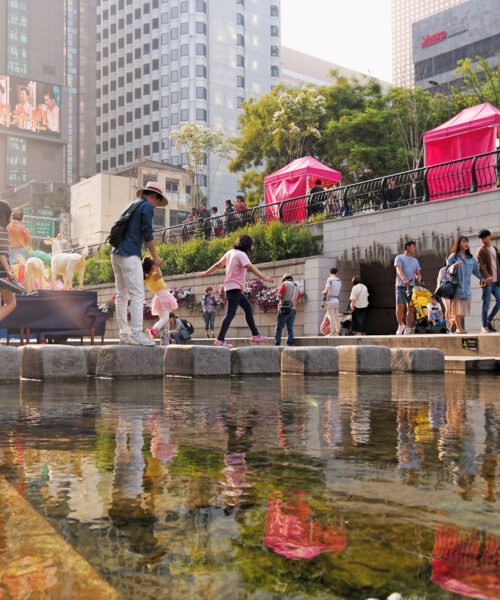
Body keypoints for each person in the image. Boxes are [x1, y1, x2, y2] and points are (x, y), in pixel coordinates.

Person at [111, 181, 167, 346]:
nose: (156, 206)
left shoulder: (131, 205)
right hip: (130, 254)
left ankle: (124, 334)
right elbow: (148, 233)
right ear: (154, 196)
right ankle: (136, 334)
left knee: (122, 296)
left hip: (116, 253)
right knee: (137, 295)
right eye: (158, 202)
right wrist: (155, 257)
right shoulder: (146, 207)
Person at [197, 233, 274, 348]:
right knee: (230, 314)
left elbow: (218, 265)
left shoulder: (230, 253)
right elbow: (251, 267)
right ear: (247, 245)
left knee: (248, 308)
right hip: (234, 288)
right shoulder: (241, 254)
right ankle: (219, 340)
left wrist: (206, 273)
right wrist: (265, 278)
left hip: (232, 288)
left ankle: (255, 335)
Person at [447, 235, 491, 334]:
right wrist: (454, 266)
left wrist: (485, 278)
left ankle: (454, 325)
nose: (466, 244)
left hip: (466, 288)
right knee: (458, 309)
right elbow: (447, 270)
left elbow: (476, 271)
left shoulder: (471, 259)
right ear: (459, 244)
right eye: (464, 242)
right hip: (456, 287)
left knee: (463, 310)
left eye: (467, 242)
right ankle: (459, 328)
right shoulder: (453, 257)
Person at [142, 256, 178, 342]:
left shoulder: (146, 279)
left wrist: (155, 265)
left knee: (162, 319)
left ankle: (152, 335)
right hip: (164, 295)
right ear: (151, 267)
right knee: (165, 319)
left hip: (158, 297)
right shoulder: (154, 275)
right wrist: (157, 265)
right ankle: (152, 331)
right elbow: (160, 275)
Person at [394, 240, 422, 335]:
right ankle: (401, 324)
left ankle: (408, 328)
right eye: (413, 246)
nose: (415, 248)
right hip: (400, 286)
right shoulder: (399, 258)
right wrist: (404, 279)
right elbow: (399, 270)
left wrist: (419, 279)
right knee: (399, 307)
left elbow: (417, 273)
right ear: (408, 247)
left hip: (411, 287)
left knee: (410, 307)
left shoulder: (415, 261)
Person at [476, 229, 500, 333]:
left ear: (489, 237)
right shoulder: (481, 250)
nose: (484, 240)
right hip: (488, 282)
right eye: (482, 239)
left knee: (499, 301)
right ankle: (484, 326)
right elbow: (481, 265)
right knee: (486, 303)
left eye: (485, 238)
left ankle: (488, 320)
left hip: (496, 282)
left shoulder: (494, 249)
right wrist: (487, 276)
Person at [0, 201, 17, 322]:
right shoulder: (2, 231)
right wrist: (9, 271)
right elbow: (2, 254)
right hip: (2, 274)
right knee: (11, 303)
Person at [274, 273, 301, 346]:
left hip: (284, 309)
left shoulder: (284, 284)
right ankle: (290, 343)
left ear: (284, 279)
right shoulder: (297, 287)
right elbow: (299, 300)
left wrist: (279, 298)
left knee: (279, 328)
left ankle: (277, 344)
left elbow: (279, 296)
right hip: (293, 310)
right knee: (290, 327)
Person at [322, 267, 342, 336]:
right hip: (337, 300)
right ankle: (337, 331)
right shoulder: (339, 280)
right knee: (336, 316)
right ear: (336, 272)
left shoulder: (329, 279)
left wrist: (323, 292)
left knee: (331, 316)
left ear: (330, 272)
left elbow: (327, 289)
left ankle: (332, 332)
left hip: (330, 300)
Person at [436, 259, 454, 332]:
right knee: (448, 308)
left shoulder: (455, 269)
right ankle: (448, 326)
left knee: (453, 310)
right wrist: (437, 290)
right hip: (445, 291)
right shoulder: (443, 270)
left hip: (453, 290)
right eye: (448, 260)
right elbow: (439, 280)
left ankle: (452, 327)